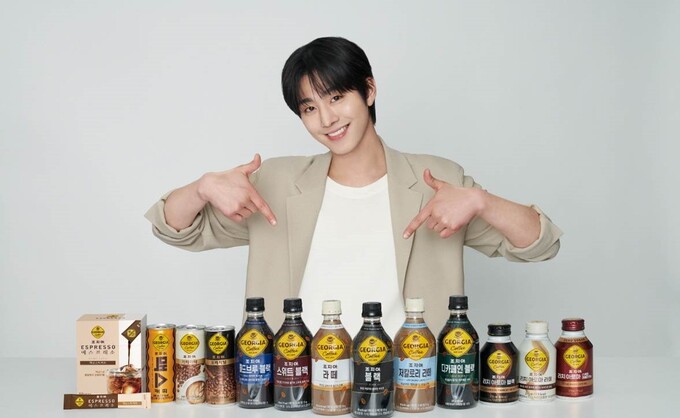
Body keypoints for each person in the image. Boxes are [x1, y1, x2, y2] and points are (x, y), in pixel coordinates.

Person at [145, 37, 562, 336]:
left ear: (369, 90)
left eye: (336, 97)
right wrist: (202, 188)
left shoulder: (436, 180)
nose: (327, 119)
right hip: (294, 385)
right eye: (310, 107)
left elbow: (540, 244)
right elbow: (174, 228)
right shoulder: (276, 183)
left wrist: (481, 201)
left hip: (409, 388)